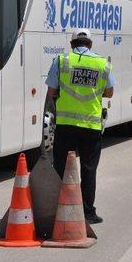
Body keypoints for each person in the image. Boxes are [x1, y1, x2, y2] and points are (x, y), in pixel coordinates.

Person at [45, 29, 115, 223]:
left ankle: (58, 210)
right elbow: (109, 93)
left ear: (72, 44)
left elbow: (51, 91)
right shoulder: (102, 63)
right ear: (90, 44)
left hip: (66, 124)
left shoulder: (61, 60)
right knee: (88, 169)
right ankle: (87, 213)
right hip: (91, 126)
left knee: (60, 167)